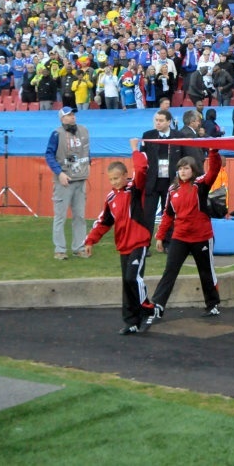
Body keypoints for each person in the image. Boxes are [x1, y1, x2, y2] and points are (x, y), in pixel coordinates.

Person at [141, 151, 223, 330]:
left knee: (206, 271)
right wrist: (160, 236)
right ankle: (158, 306)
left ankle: (213, 305)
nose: (183, 172)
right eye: (180, 169)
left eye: (186, 168)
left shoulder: (200, 184)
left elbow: (214, 170)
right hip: (180, 236)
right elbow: (168, 215)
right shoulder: (172, 190)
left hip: (202, 237)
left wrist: (214, 152)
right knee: (169, 271)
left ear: (193, 171)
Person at [84, 139, 154, 335]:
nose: (114, 182)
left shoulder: (135, 188)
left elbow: (141, 168)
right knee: (126, 283)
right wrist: (90, 240)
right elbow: (104, 222)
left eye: (117, 178)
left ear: (125, 175)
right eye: (111, 180)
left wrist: (134, 149)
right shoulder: (111, 198)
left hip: (139, 242)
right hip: (123, 245)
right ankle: (131, 320)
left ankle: (148, 310)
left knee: (134, 278)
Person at [45, 106, 91, 260]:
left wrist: (88, 164)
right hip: (64, 180)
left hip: (80, 179)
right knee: (60, 216)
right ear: (62, 118)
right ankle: (60, 249)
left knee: (80, 216)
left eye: (73, 114)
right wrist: (59, 173)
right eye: (69, 115)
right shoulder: (56, 134)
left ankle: (79, 247)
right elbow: (49, 155)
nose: (72, 117)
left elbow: (86, 150)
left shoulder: (84, 130)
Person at [140, 110, 185, 251]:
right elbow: (143, 158)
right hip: (152, 181)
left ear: (169, 122)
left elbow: (184, 157)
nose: (158, 123)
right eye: (156, 120)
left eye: (161, 120)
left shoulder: (179, 137)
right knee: (148, 214)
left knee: (169, 213)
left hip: (171, 181)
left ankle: (167, 243)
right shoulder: (148, 136)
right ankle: (144, 245)